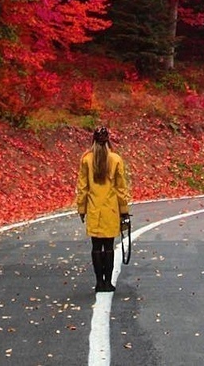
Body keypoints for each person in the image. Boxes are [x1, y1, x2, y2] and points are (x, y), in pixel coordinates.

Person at [76, 125, 131, 292]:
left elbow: (82, 187)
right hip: (111, 210)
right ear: (108, 140)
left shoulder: (86, 159)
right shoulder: (115, 159)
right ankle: (108, 282)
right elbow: (121, 188)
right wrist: (124, 211)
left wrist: (81, 208)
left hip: (94, 209)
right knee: (109, 247)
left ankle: (99, 282)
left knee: (96, 247)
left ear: (93, 140)